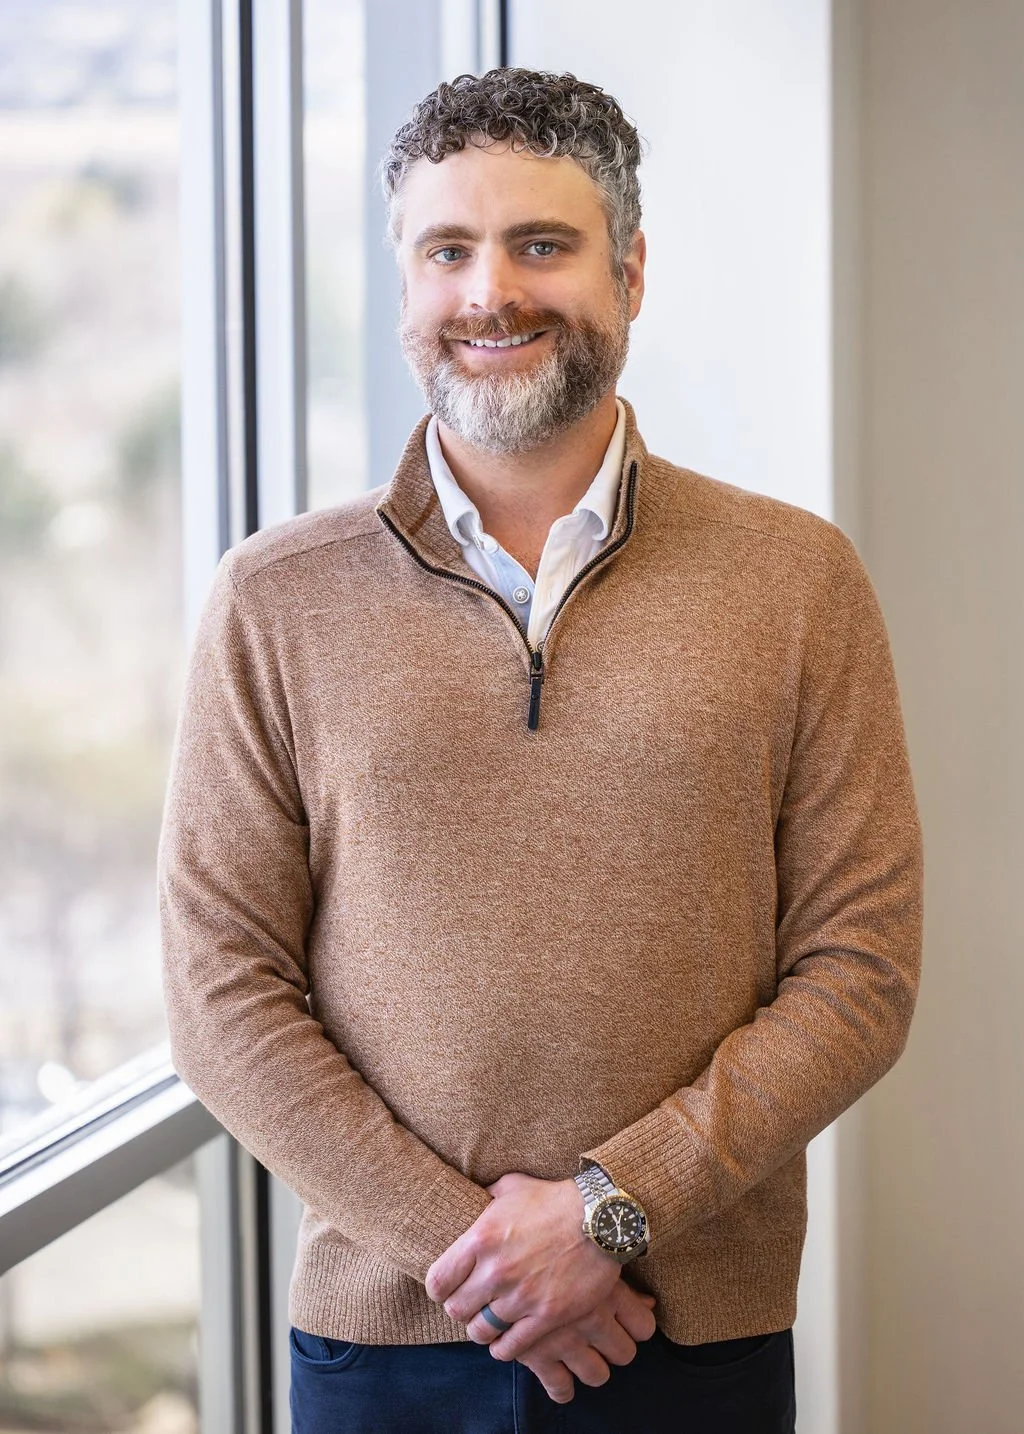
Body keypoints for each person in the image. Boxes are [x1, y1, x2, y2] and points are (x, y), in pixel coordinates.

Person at [159, 68, 923, 1434]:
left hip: (689, 1329)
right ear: (404, 287)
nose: (488, 291)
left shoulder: (798, 580)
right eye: (448, 250)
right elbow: (223, 995)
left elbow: (860, 972)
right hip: (385, 1336)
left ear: (630, 273)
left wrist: (611, 1211)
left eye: (542, 245)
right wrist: (487, 1258)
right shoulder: (273, 599)